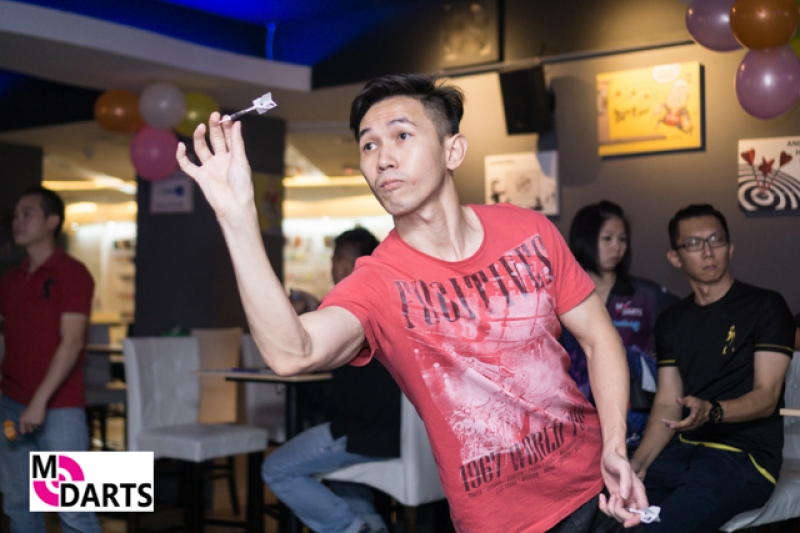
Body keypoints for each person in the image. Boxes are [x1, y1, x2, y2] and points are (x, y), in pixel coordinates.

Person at [177, 73, 647, 532]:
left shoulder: (528, 230)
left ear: (452, 151)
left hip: (598, 490)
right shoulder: (378, 282)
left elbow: (599, 337)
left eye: (402, 135)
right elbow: (290, 353)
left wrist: (614, 447)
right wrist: (236, 215)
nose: (383, 158)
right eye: (369, 145)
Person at [629, 204, 795, 532]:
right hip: (683, 451)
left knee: (660, 527)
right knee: (610, 513)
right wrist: (638, 462)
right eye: (693, 243)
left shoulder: (766, 306)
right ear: (675, 257)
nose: (707, 251)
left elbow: (767, 396)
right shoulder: (671, 321)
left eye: (716, 240)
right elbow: (668, 403)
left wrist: (712, 411)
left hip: (744, 458)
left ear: (730, 247)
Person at [262, 228, 401, 533]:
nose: (332, 267)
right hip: (399, 432)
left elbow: (302, 356)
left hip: (362, 431)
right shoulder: (387, 303)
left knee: (276, 468)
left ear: (345, 263)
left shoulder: (349, 306)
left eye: (334, 259)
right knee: (339, 473)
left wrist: (301, 319)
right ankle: (373, 526)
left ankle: (352, 527)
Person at [0, 187, 101, 533]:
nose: (17, 221)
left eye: (27, 214)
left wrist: (39, 403)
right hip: (11, 405)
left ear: (52, 221)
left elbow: (72, 343)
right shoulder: (11, 280)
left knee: (74, 513)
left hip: (59, 409)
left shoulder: (73, 273)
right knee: (19, 507)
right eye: (15, 215)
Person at [560, 201, 678, 451]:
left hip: (633, 420)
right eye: (607, 238)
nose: (617, 247)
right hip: (572, 421)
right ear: (585, 240)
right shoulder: (560, 294)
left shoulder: (646, 294)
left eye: (622, 239)